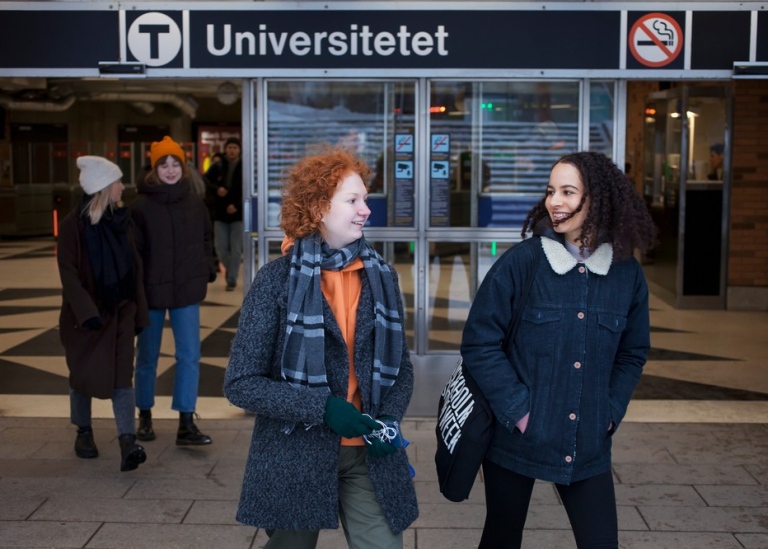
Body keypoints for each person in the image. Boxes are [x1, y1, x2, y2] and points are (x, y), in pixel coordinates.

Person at [224, 146, 418, 548]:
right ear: (317, 208)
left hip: (368, 453)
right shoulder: (277, 281)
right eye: (353, 200)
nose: (366, 209)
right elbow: (241, 382)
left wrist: (389, 419)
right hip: (296, 451)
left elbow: (402, 369)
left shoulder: (381, 277)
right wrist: (323, 408)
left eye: (365, 198)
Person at [460, 151, 655, 549]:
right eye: (551, 191)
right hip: (517, 439)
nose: (555, 202)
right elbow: (480, 343)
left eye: (568, 192)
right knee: (501, 537)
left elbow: (632, 353)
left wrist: (609, 414)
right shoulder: (522, 263)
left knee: (601, 541)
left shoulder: (626, 273)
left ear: (597, 199)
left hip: (588, 442)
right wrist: (519, 413)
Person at [57, 155, 149, 472]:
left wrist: (139, 312)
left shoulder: (121, 222)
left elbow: (134, 270)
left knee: (123, 376)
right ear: (102, 187)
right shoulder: (72, 227)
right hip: (85, 318)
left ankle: (127, 442)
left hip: (121, 311)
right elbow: (68, 273)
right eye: (117, 183)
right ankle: (83, 431)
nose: (123, 187)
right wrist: (87, 313)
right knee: (82, 376)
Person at [131, 136, 217, 446]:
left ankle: (185, 422)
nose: (170, 170)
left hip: (186, 291)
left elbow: (207, 237)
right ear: (154, 169)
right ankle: (144, 416)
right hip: (151, 291)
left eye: (175, 164)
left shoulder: (194, 202)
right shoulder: (140, 205)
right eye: (163, 164)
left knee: (190, 355)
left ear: (184, 167)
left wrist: (207, 266)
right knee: (147, 357)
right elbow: (134, 251)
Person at [204, 137, 243, 291]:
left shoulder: (244, 166)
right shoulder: (218, 165)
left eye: (235, 147)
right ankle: (231, 271)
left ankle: (231, 279)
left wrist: (237, 206)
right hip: (220, 214)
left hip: (238, 214)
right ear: (225, 149)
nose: (232, 150)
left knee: (236, 248)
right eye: (229, 147)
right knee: (220, 248)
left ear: (239, 150)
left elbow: (248, 189)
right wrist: (216, 189)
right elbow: (205, 181)